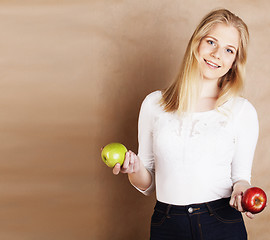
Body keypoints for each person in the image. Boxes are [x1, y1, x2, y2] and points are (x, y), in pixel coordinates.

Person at [112, 8, 259, 240]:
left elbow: (241, 177)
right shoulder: (154, 104)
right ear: (196, 43)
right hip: (167, 223)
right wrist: (134, 168)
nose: (217, 54)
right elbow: (147, 182)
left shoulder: (241, 111)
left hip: (220, 222)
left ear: (234, 62)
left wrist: (241, 190)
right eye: (211, 42)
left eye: (229, 50)